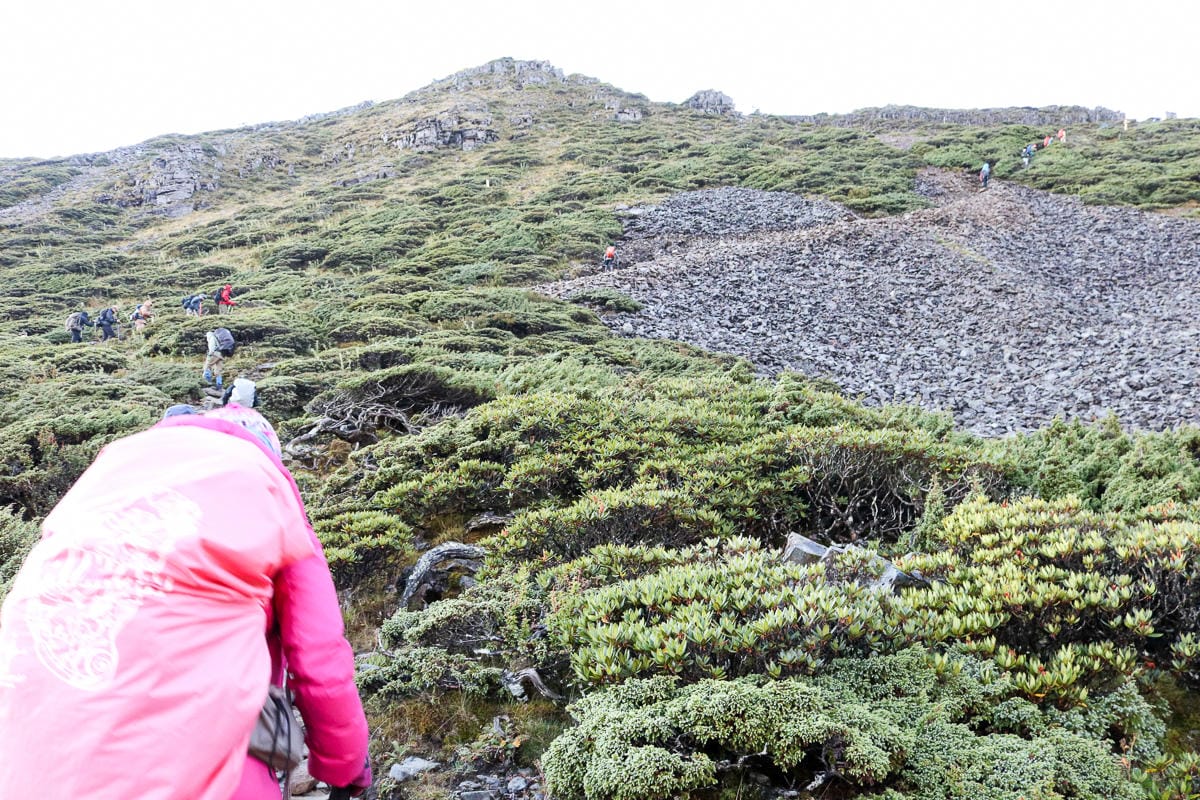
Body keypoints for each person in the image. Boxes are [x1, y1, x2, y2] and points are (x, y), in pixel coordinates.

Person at [0, 402, 372, 799]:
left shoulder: (99, 492)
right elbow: (319, 658)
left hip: (24, 742)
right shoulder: (268, 501)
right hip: (187, 760)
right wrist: (345, 768)